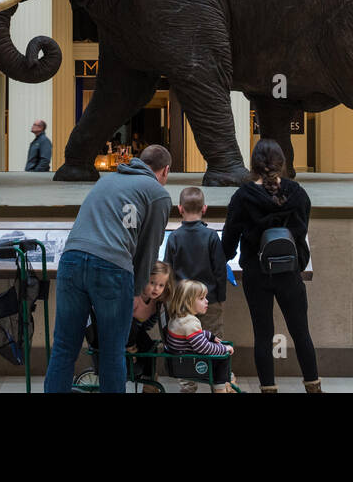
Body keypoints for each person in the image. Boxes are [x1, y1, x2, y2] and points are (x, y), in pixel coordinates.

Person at [43, 144, 172, 393]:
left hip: (71, 260)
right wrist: (138, 292)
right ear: (165, 170)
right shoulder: (157, 193)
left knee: (64, 347)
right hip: (112, 267)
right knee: (113, 352)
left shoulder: (107, 180)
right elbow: (149, 247)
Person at [222, 138, 319, 393]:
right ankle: (313, 386)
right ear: (282, 163)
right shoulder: (297, 193)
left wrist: (223, 258)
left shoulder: (243, 196)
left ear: (253, 164)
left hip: (257, 272)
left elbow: (230, 236)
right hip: (289, 272)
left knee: (263, 335)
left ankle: (268, 388)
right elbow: (301, 230)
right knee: (301, 333)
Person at [165, 185, 228, 393]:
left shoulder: (174, 237)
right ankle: (218, 385)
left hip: (182, 303)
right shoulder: (211, 236)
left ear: (180, 208)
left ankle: (187, 385)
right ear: (205, 208)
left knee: (183, 345)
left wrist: (171, 301)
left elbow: (168, 272)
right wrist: (219, 297)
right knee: (214, 339)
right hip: (208, 299)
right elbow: (220, 270)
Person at [164, 280, 237, 393]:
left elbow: (190, 337)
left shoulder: (177, 318)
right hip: (191, 363)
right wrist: (224, 348)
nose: (207, 301)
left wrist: (209, 336)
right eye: (202, 298)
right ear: (188, 301)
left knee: (219, 351)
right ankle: (220, 389)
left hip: (181, 360)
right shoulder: (191, 323)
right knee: (223, 357)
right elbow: (203, 348)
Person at [125, 261, 172, 390]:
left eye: (161, 285)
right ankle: (130, 348)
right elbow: (123, 320)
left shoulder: (156, 302)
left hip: (137, 331)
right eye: (152, 283)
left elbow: (150, 323)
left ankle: (148, 380)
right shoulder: (135, 298)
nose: (156, 288)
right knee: (132, 324)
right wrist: (129, 344)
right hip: (123, 331)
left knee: (151, 347)